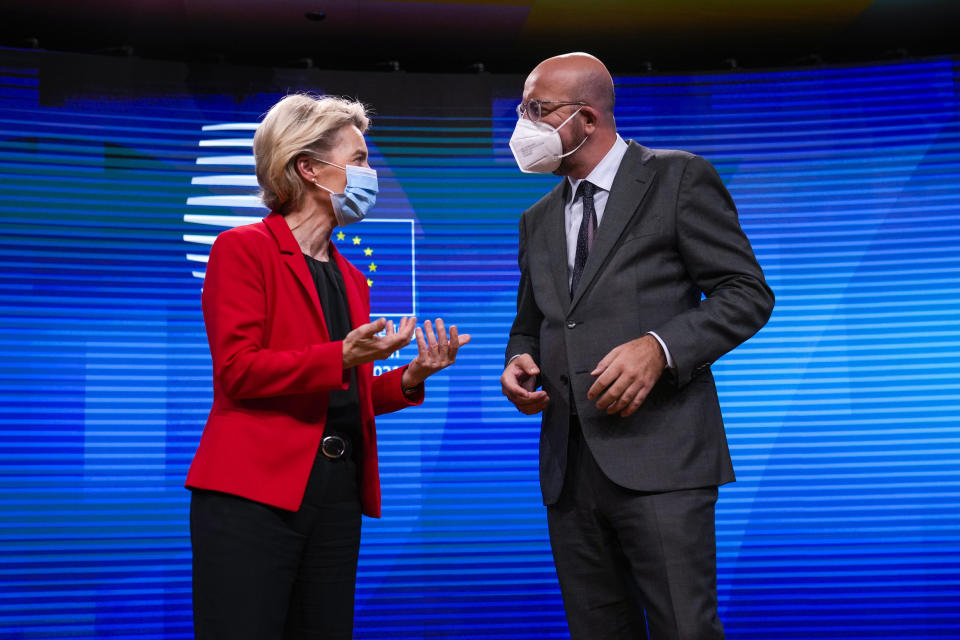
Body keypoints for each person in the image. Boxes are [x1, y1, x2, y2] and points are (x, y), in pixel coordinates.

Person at [501, 53, 774, 639]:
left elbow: (746, 292)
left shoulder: (677, 177)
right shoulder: (536, 217)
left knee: (684, 628)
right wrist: (517, 361)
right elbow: (532, 323)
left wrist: (660, 346)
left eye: (537, 110)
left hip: (662, 459)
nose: (523, 124)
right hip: (570, 470)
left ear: (588, 119)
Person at [185, 93, 470, 639]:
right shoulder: (242, 250)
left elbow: (344, 392)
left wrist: (410, 378)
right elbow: (240, 373)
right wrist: (343, 354)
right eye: (360, 159)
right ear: (309, 169)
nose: (371, 174)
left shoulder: (351, 277)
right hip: (253, 495)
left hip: (336, 493)